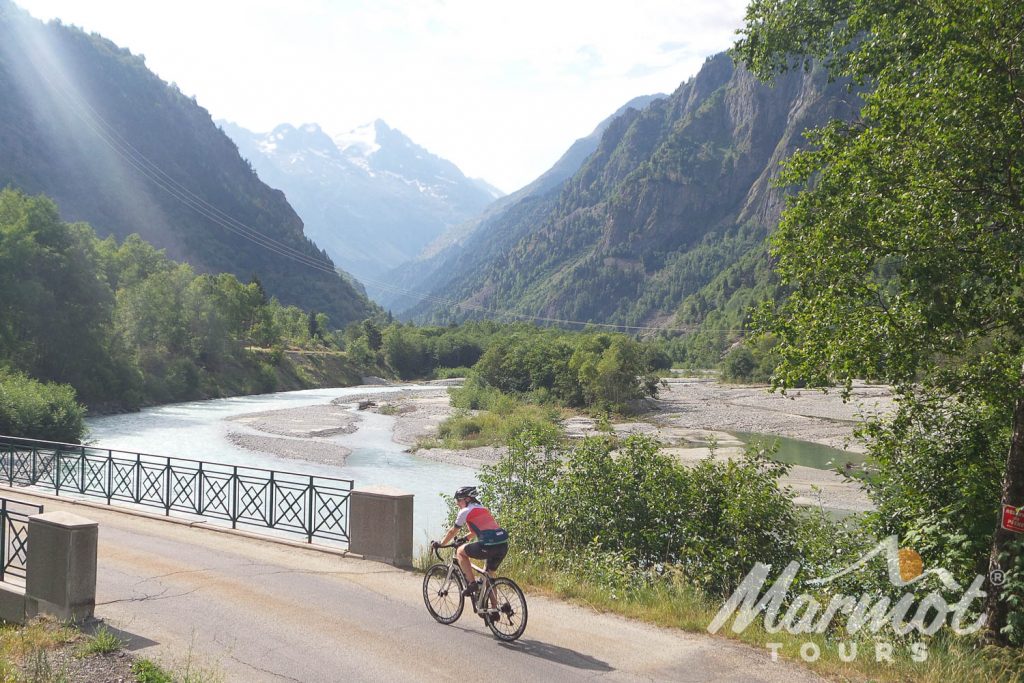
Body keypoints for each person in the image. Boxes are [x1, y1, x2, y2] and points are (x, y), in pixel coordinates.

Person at [432, 486, 509, 599]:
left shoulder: (465, 511)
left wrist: (441, 544)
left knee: (460, 552)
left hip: (488, 545)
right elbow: (476, 530)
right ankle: (494, 610)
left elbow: (452, 531)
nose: (457, 503)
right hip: (502, 545)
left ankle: (472, 584)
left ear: (467, 499)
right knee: (488, 579)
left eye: (458, 500)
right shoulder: (483, 508)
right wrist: (465, 538)